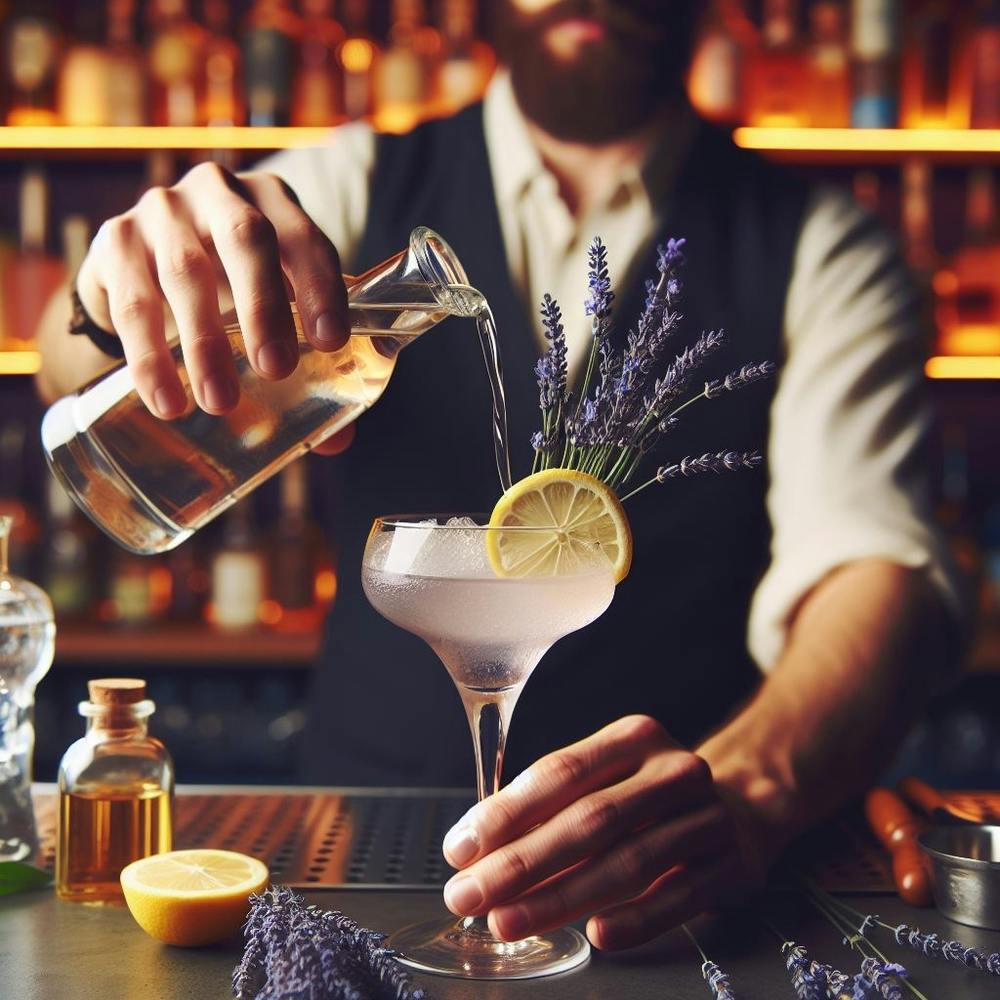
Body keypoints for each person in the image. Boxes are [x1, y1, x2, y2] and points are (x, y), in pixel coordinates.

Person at [35, 0, 966, 952]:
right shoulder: (352, 178)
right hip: (351, 867)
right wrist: (110, 298)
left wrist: (750, 785)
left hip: (661, 906)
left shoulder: (824, 245)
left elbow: (872, 562)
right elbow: (64, 369)